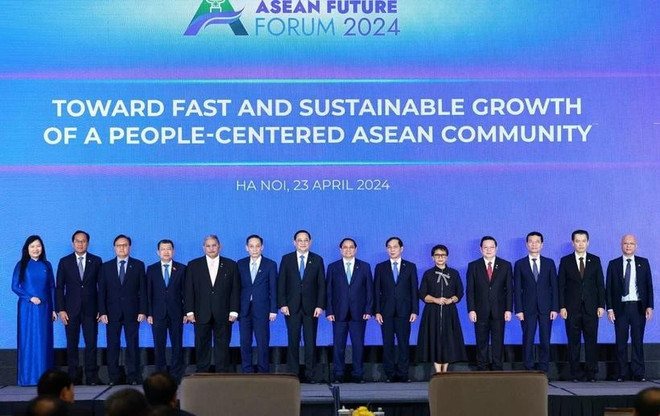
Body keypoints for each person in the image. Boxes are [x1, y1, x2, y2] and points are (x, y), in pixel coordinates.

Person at [184, 235, 240, 373]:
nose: (211, 248)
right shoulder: (193, 265)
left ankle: (222, 372)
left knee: (223, 345)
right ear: (203, 248)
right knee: (202, 344)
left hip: (224, 312)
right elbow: (188, 290)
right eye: (208, 246)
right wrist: (189, 311)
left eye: (214, 245)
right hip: (200, 313)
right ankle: (202, 371)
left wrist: (234, 311)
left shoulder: (231, 264)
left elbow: (235, 290)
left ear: (219, 247)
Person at [98, 234, 147, 385]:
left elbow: (143, 290)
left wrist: (143, 310)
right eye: (119, 245)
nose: (122, 248)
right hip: (111, 313)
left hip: (133, 312)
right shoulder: (106, 266)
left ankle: (133, 377)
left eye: (125, 245)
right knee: (112, 346)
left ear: (129, 247)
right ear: (114, 248)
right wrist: (103, 312)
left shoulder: (138, 265)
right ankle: (113, 377)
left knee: (132, 345)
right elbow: (102, 292)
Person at [277, 230, 326, 383]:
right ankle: (293, 374)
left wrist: (320, 305)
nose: (303, 243)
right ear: (294, 243)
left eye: (306, 240)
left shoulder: (317, 260)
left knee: (311, 342)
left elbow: (321, 285)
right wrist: (282, 304)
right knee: (293, 341)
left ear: (310, 242)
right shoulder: (287, 259)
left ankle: (311, 375)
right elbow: (281, 283)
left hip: (312, 308)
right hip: (291, 308)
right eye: (300, 240)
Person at [55, 230, 103, 385]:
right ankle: (73, 377)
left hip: (91, 310)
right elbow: (59, 287)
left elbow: (101, 287)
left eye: (83, 241)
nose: (80, 244)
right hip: (70, 310)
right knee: (72, 344)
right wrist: (61, 309)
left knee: (91, 344)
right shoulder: (64, 261)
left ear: (87, 243)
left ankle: (92, 377)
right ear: (72, 243)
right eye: (77, 241)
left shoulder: (96, 261)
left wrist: (101, 309)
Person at [558, 229, 605, 382]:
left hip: (591, 308)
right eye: (577, 241)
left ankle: (591, 373)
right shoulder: (565, 261)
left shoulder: (595, 260)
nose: (580, 243)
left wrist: (601, 305)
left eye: (583, 241)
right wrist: (562, 306)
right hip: (571, 309)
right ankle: (575, 373)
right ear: (573, 243)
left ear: (588, 242)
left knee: (591, 341)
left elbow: (600, 284)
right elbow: (561, 286)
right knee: (574, 342)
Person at [606, 234, 654, 382]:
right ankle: (621, 373)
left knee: (637, 341)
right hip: (620, 307)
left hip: (638, 307)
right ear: (621, 245)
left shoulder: (643, 263)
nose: (628, 246)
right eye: (626, 243)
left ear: (636, 246)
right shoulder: (613, 264)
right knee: (621, 341)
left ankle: (638, 373)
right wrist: (610, 309)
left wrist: (650, 306)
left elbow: (649, 286)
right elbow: (609, 288)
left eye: (631, 244)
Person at [326, 238, 373, 383]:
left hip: (359, 312)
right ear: (340, 250)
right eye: (345, 247)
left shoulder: (364, 266)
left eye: (351, 247)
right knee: (338, 345)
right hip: (338, 312)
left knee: (358, 345)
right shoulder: (333, 267)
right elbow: (329, 291)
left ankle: (358, 374)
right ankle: (338, 374)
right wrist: (329, 311)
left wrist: (368, 309)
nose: (348, 250)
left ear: (356, 249)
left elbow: (369, 290)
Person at [11, 235, 56, 386]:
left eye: (38, 246)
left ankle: (45, 377)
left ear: (42, 248)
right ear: (27, 249)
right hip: (27, 308)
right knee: (28, 339)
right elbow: (15, 286)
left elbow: (52, 288)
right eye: (32, 246)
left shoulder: (47, 265)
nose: (36, 249)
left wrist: (54, 309)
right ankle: (28, 378)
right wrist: (30, 297)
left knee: (44, 340)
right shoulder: (21, 265)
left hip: (45, 308)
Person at [374, 237, 419, 382]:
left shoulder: (410, 267)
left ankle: (403, 374)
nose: (392, 249)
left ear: (401, 249)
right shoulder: (380, 267)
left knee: (403, 343)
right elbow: (376, 291)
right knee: (387, 343)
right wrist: (377, 311)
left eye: (395, 247)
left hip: (405, 311)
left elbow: (414, 290)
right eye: (389, 247)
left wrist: (415, 310)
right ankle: (389, 374)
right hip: (385, 312)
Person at [417, 244, 467, 373]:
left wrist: (451, 300)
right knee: (434, 338)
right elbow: (422, 294)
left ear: (447, 257)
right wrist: (436, 300)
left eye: (443, 255)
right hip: (432, 312)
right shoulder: (428, 274)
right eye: (437, 255)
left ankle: (445, 370)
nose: (440, 258)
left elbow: (460, 293)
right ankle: (437, 371)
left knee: (448, 339)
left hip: (449, 312)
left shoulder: (454, 273)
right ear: (432, 257)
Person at [513, 231, 558, 374]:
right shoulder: (520, 264)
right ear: (526, 244)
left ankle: (544, 369)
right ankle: (528, 369)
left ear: (542, 244)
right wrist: (518, 310)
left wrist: (554, 308)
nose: (534, 244)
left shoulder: (549, 263)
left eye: (537, 241)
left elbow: (554, 287)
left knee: (545, 339)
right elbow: (517, 289)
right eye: (531, 241)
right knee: (528, 339)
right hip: (527, 308)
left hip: (546, 308)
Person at [466, 236, 513, 371]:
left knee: (498, 341)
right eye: (485, 247)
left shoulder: (505, 265)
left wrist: (509, 309)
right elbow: (470, 290)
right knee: (481, 341)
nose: (488, 250)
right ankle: (482, 367)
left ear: (496, 248)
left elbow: (510, 289)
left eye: (491, 247)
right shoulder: (473, 266)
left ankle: (498, 367)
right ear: (480, 249)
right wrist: (471, 309)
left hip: (500, 310)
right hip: (480, 310)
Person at [146, 239, 187, 382]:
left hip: (177, 313)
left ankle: (176, 375)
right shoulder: (151, 269)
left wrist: (186, 312)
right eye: (163, 249)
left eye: (168, 249)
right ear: (158, 252)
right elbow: (148, 293)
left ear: (173, 251)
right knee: (159, 345)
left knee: (177, 345)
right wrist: (149, 313)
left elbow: (185, 293)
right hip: (157, 314)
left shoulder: (181, 268)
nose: (166, 252)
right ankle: (160, 375)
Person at [237, 234, 278, 374]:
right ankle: (246, 371)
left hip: (263, 310)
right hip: (244, 310)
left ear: (262, 247)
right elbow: (236, 288)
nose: (254, 249)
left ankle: (263, 372)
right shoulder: (240, 264)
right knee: (245, 343)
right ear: (246, 248)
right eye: (251, 246)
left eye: (257, 246)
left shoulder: (270, 264)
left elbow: (273, 288)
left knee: (262, 343)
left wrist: (273, 310)